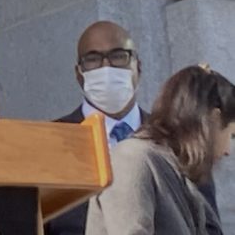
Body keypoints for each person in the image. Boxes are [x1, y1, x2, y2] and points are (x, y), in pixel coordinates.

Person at [85, 65, 234, 235]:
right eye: (232, 135)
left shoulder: (179, 172)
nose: (228, 150)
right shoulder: (132, 158)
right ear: (214, 119)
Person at [45, 21, 145, 235]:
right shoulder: (49, 141)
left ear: (138, 65)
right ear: (78, 73)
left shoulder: (174, 138)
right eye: (93, 59)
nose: (106, 67)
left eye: (118, 56)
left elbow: (206, 224)